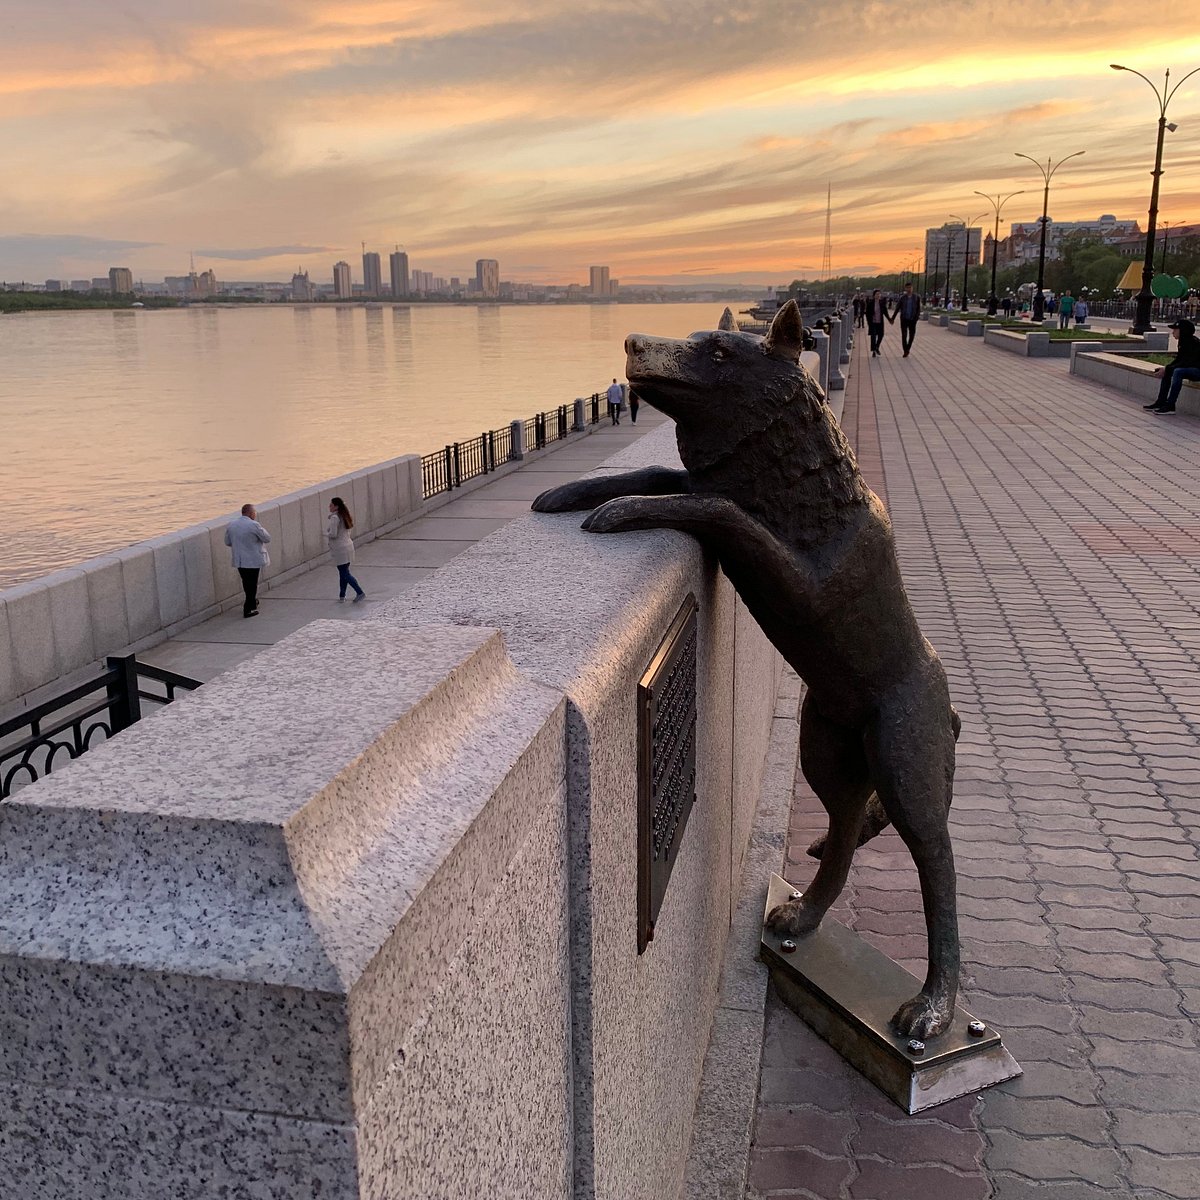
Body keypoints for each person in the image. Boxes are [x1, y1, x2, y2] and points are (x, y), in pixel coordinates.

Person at [224, 502, 271, 618]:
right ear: (250, 513)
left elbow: (227, 542)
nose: (255, 514)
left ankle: (252, 602)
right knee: (252, 584)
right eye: (254, 512)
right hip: (253, 559)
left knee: (246, 583)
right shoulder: (254, 525)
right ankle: (249, 608)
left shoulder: (232, 525)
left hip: (239, 560)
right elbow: (267, 538)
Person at [1144, 319, 1200, 415]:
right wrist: (1166, 368)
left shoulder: (1193, 343)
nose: (1173, 332)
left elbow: (1187, 362)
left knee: (1177, 371)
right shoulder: (1183, 342)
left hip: (1197, 370)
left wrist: (1168, 368)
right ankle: (1161, 402)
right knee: (1169, 371)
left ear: (1183, 331)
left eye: (1175, 329)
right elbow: (1179, 360)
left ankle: (1170, 405)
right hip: (1191, 368)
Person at [327, 496, 366, 602]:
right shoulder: (344, 515)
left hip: (340, 549)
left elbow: (333, 534)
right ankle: (342, 596)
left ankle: (359, 592)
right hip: (348, 546)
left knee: (344, 573)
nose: (329, 506)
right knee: (343, 572)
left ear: (336, 506)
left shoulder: (335, 518)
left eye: (331, 505)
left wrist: (325, 534)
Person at [889, 282, 921, 357]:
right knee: (904, 335)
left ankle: (908, 348)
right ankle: (905, 350)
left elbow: (918, 309)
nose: (909, 289)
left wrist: (916, 317)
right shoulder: (902, 298)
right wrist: (892, 318)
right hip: (904, 319)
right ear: (905, 288)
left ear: (912, 288)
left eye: (910, 287)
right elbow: (897, 308)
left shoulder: (916, 297)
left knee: (911, 335)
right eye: (907, 288)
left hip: (912, 319)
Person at [866, 288, 887, 356]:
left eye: (879, 294)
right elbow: (867, 313)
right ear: (874, 295)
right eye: (876, 294)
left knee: (881, 335)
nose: (878, 295)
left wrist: (890, 319)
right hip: (873, 322)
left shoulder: (882, 303)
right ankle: (874, 351)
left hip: (880, 322)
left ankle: (877, 347)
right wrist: (868, 322)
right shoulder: (870, 303)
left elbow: (885, 312)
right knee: (873, 336)